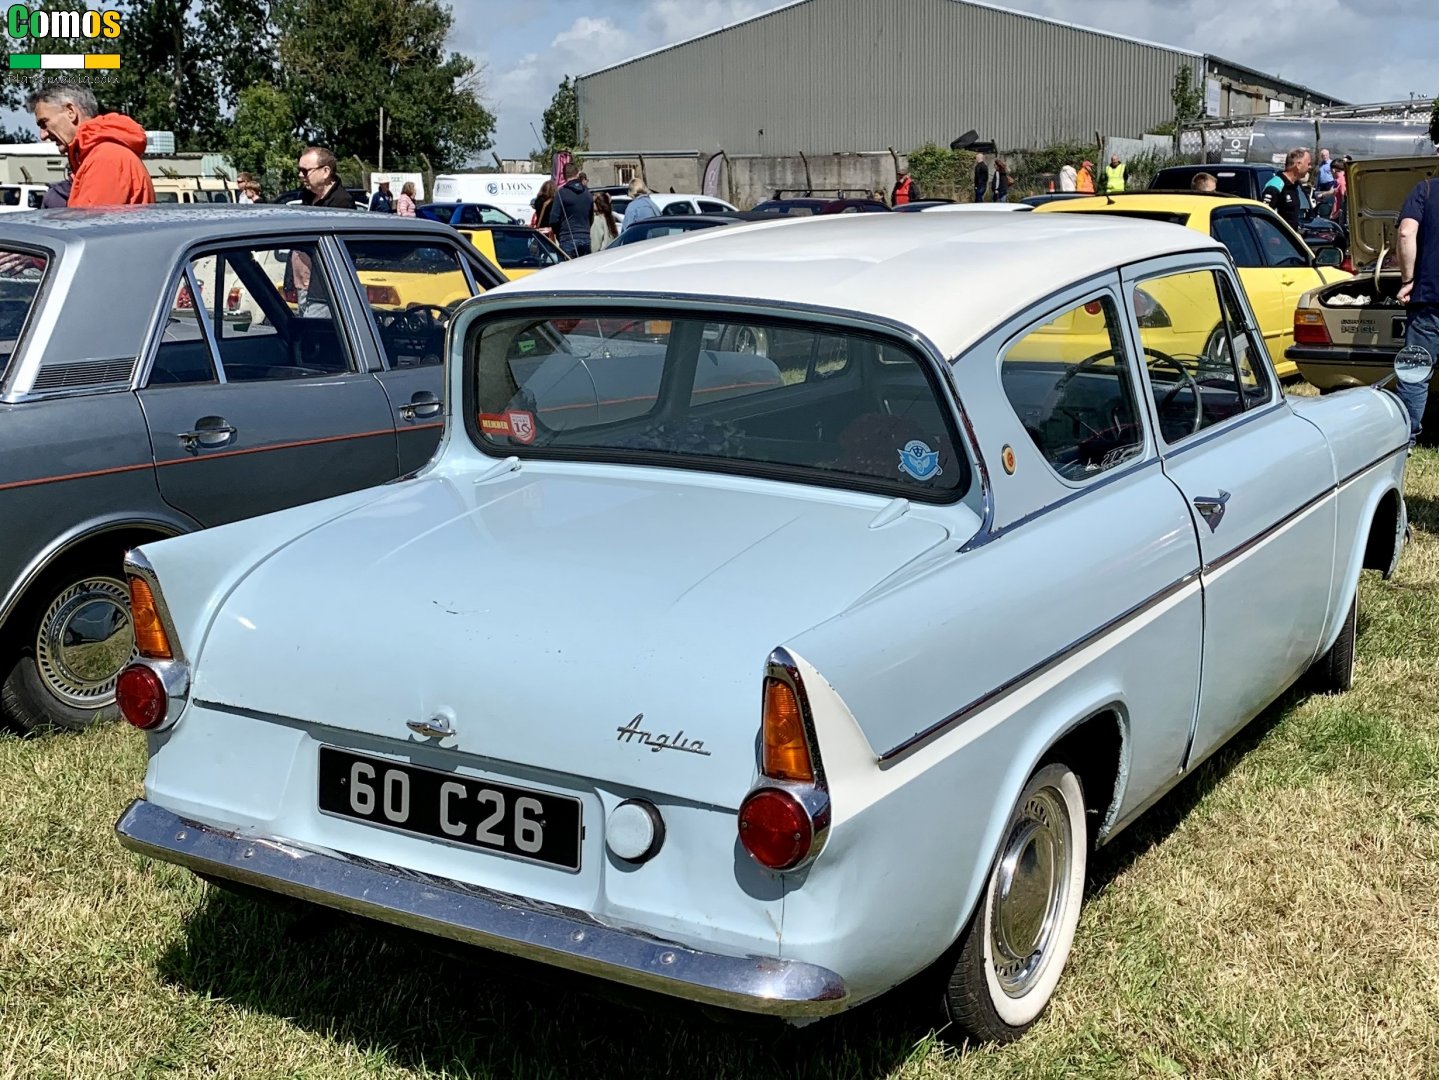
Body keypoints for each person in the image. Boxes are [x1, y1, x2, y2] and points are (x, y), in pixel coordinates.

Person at [26, 84, 153, 207]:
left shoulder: (106, 158)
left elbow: (91, 221)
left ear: (71, 112)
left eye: (44, 123)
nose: (42, 135)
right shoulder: (98, 155)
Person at [1395, 169, 1437, 447]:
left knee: (1416, 371)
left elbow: (1406, 233)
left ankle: (1405, 441)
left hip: (1430, 297)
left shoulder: (1426, 190)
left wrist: (1408, 280)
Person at [1260, 147, 1311, 231]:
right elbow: (1263, 219)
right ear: (1298, 165)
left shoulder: (1294, 185)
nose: (1310, 167)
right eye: (1308, 164)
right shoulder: (1275, 186)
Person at [548, 162, 592, 258]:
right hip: (585, 237)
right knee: (586, 266)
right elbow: (591, 218)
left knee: (568, 267)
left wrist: (559, 234)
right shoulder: (588, 194)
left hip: (567, 237)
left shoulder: (561, 193)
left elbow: (553, 220)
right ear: (577, 174)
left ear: (564, 176)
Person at [1329, 157, 1349, 222]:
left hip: (1338, 217)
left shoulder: (1341, 182)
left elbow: (1344, 201)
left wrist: (1336, 215)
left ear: (1333, 170)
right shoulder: (1343, 179)